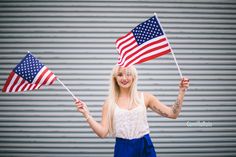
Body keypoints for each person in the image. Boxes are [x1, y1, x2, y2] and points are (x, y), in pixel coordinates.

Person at [75, 65, 189, 157]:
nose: (124, 78)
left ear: (134, 77)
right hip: (123, 148)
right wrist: (87, 115)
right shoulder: (109, 103)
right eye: (120, 75)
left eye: (128, 74)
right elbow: (103, 133)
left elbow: (173, 114)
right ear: (115, 78)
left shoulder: (145, 97)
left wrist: (182, 91)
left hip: (145, 145)